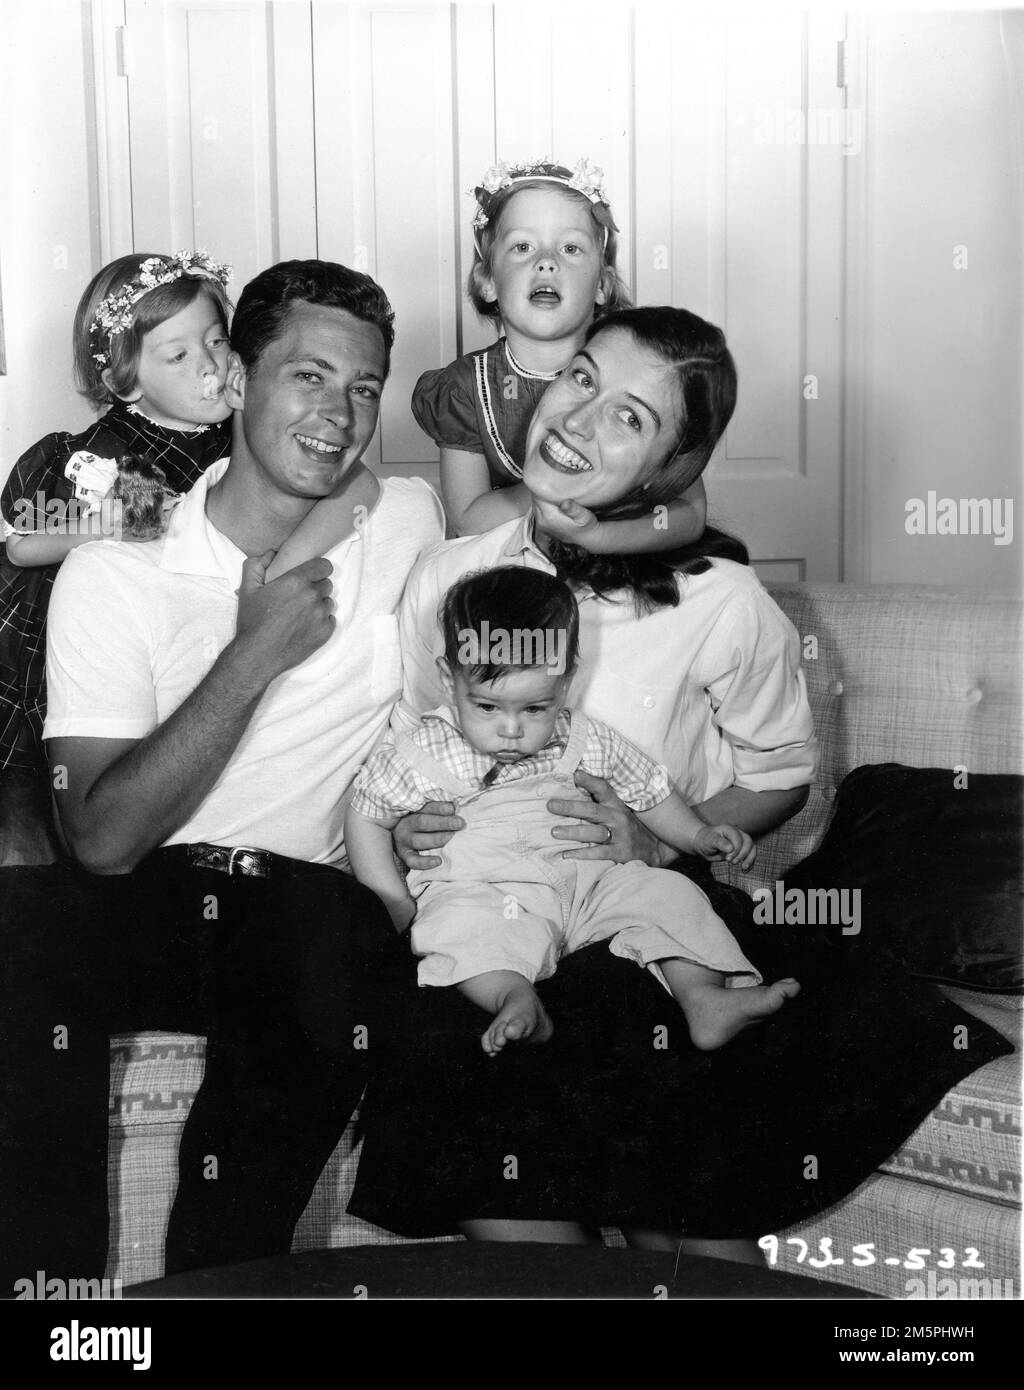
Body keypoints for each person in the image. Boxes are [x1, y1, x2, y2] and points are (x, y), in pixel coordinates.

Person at [346, 304, 1009, 1253]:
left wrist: (658, 834)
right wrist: (412, 834)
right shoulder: (454, 573)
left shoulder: (723, 602)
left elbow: (779, 776)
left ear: (671, 471)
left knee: (647, 1091)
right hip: (494, 904)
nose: (577, 418)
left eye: (629, 417)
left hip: (631, 901)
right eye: (581, 378)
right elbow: (423, 743)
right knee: (471, 1087)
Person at [0, 258, 444, 1291]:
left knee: (330, 946)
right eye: (308, 376)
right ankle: (48, 1307)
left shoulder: (405, 521)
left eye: (364, 387)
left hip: (305, 901)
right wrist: (253, 651)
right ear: (236, 378)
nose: (338, 414)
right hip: (153, 893)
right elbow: (103, 842)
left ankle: (217, 1294)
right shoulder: (118, 572)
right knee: (14, 928)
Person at [346, 565, 801, 1057]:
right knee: (459, 929)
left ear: (564, 684)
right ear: (447, 678)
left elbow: (649, 790)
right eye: (487, 707)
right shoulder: (421, 750)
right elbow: (367, 813)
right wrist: (392, 900)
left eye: (535, 708)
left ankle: (704, 999)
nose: (512, 730)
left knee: (669, 893)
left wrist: (696, 836)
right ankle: (514, 997)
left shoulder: (585, 737)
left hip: (591, 887)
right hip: (486, 891)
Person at [0, 250, 234, 865]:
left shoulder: (238, 439)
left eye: (217, 340)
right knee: (36, 815)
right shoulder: (117, 451)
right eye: (178, 355)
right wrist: (110, 524)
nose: (208, 364)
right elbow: (24, 542)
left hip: (169, 638)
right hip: (63, 642)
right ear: (126, 381)